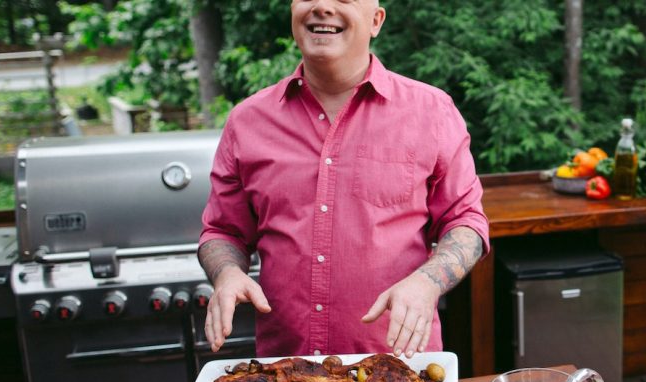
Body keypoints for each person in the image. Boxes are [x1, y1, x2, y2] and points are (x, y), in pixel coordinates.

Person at [198, 0, 488, 360]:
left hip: (400, 369)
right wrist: (226, 273)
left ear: (376, 21)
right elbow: (223, 232)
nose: (322, 7)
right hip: (286, 375)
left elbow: (466, 223)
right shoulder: (247, 121)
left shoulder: (432, 112)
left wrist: (428, 282)